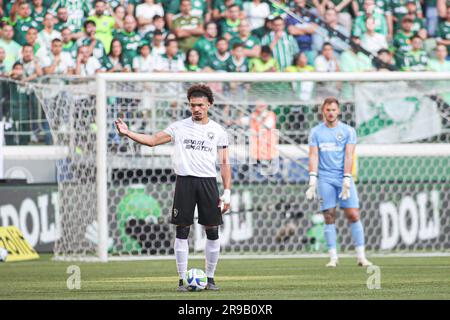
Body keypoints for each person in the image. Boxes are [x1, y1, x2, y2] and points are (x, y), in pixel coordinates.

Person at [115, 84, 231, 291]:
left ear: (209, 105)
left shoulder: (218, 131)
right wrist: (128, 133)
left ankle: (211, 279)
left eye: (200, 105)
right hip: (185, 182)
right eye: (192, 105)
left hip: (208, 183)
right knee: (182, 231)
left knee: (212, 231)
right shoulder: (178, 127)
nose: (196, 109)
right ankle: (181, 280)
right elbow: (152, 141)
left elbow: (224, 164)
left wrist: (228, 192)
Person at [306, 97, 372, 268]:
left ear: (339, 111)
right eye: (328, 110)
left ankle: (361, 256)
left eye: (333, 109)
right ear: (323, 111)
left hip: (343, 178)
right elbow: (313, 155)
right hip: (325, 179)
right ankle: (333, 257)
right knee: (329, 216)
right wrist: (313, 178)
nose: (330, 113)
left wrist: (347, 178)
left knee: (353, 214)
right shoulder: (316, 132)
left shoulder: (348, 131)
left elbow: (349, 155)